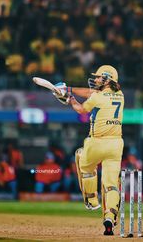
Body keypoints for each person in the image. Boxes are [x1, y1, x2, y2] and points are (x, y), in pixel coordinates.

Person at [55, 65, 124, 236]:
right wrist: (69, 89)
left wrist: (69, 98)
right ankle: (109, 217)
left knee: (82, 160)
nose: (97, 80)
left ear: (107, 79)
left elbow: (81, 109)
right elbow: (90, 92)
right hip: (116, 145)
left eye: (100, 78)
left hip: (96, 143)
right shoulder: (120, 95)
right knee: (111, 184)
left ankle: (92, 200)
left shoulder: (98, 97)